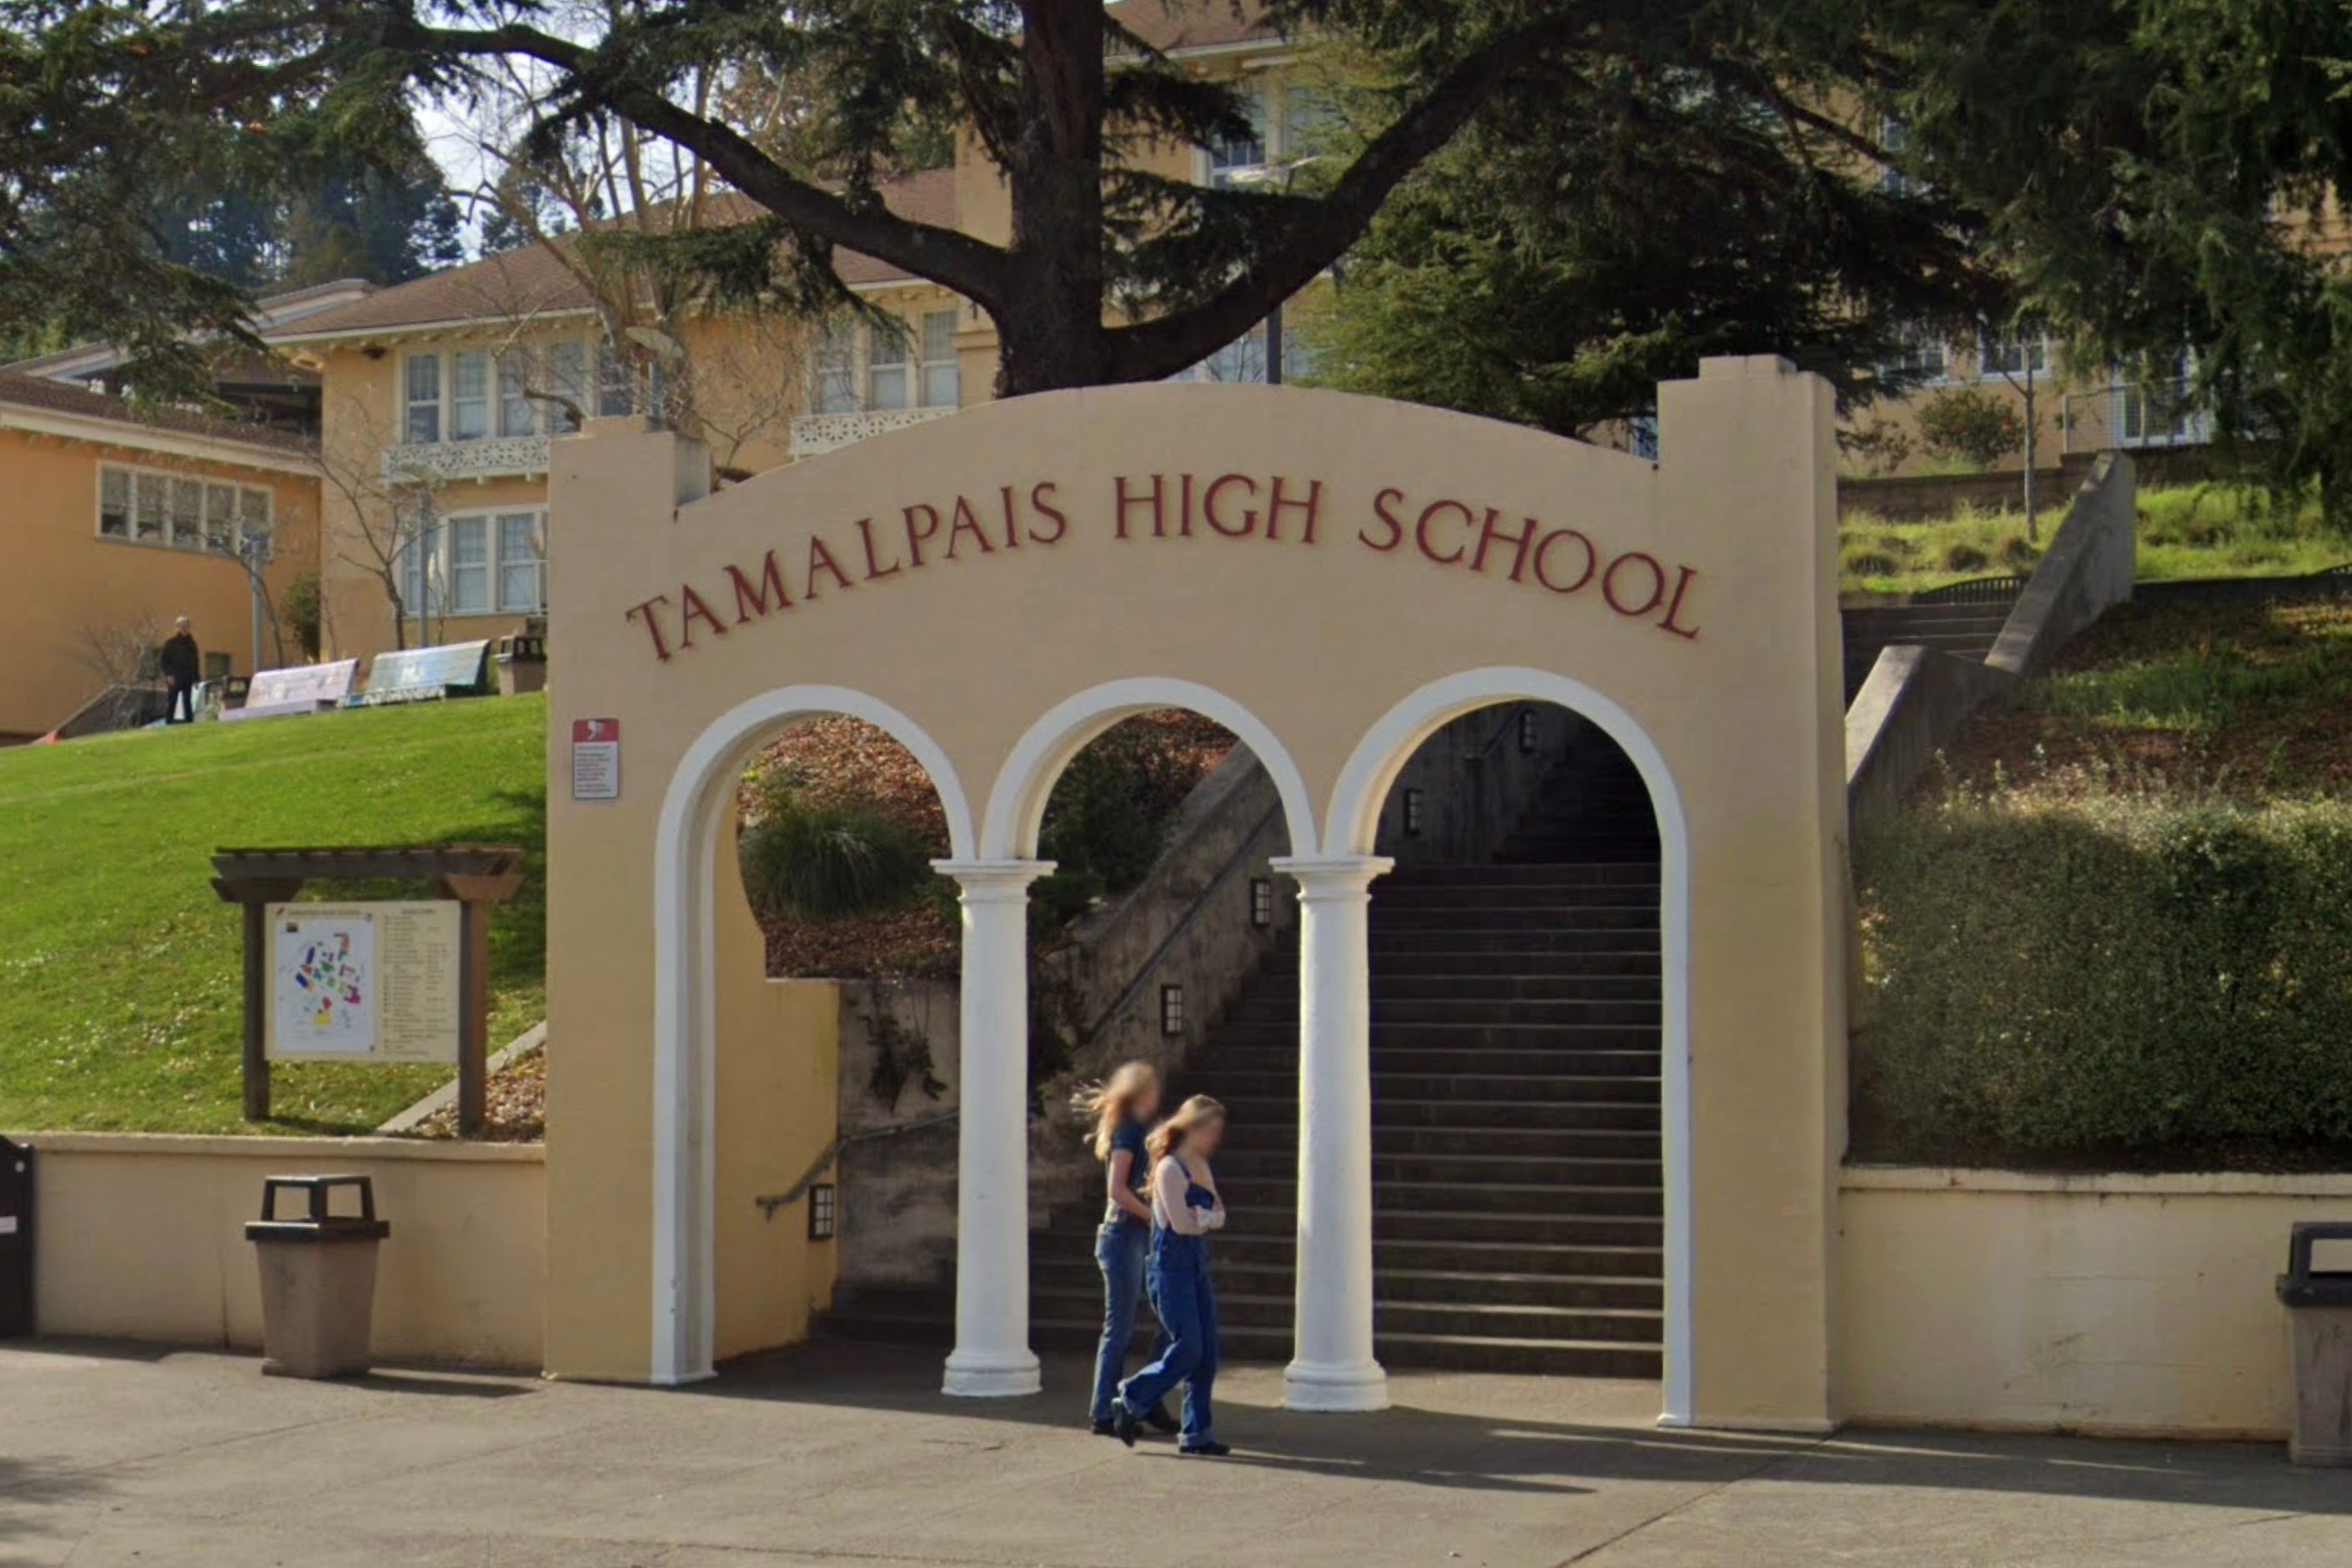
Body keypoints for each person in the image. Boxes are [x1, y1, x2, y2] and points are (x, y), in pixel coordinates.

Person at [1113, 1094, 1230, 1456]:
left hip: (1196, 1264)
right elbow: (1182, 1223)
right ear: (1192, 1128)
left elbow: (1220, 1215)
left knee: (1207, 1351)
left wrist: (1204, 1218)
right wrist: (1204, 1218)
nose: (1214, 1139)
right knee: (1189, 1345)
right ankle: (1133, 1396)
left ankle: (1196, 1434)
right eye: (1210, 1130)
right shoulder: (1169, 1168)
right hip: (1169, 1269)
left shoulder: (1200, 1166)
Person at [1072, 1063, 1179, 1437]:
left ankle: (1144, 1396)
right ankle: (1104, 1409)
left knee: (1169, 1319)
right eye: (1151, 1089)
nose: (1157, 1096)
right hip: (1124, 1234)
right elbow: (1117, 1189)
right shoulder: (1129, 1128)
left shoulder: (1142, 1127)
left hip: (1137, 1234)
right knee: (1119, 1326)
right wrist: (1153, 1217)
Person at [159, 616, 200, 725]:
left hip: (188, 678)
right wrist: (168, 675)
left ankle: (189, 724)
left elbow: (195, 662)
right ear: (177, 627)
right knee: (172, 701)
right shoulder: (170, 643)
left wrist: (196, 679)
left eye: (186, 626)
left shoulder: (192, 644)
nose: (184, 628)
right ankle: (168, 723)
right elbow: (164, 662)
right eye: (182, 626)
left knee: (187, 701)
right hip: (174, 678)